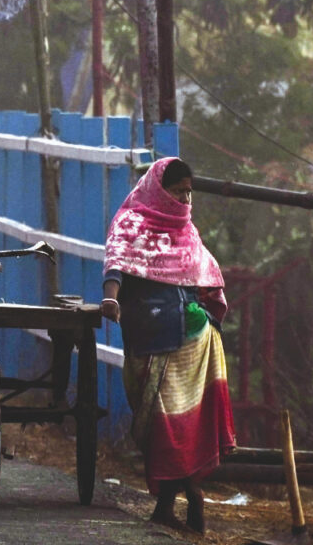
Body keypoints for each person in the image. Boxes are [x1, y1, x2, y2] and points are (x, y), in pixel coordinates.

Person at [100, 157, 236, 534]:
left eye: (189, 191)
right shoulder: (131, 222)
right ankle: (185, 497)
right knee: (166, 424)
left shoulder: (186, 228)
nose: (185, 198)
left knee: (186, 424)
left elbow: (204, 273)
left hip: (195, 340)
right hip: (152, 335)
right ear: (159, 190)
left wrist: (207, 308)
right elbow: (116, 263)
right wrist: (110, 298)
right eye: (178, 191)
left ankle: (181, 500)